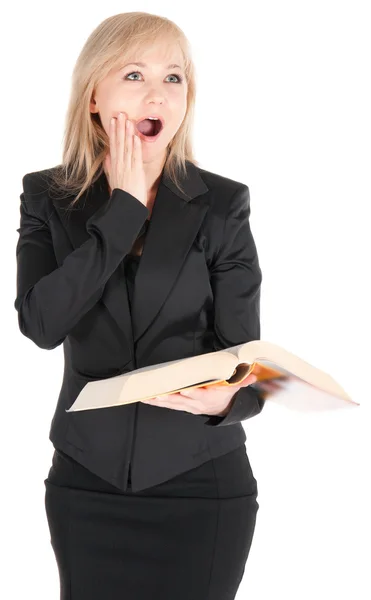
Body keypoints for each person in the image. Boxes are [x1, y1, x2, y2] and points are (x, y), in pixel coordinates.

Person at [14, 11, 266, 600]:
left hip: (202, 486)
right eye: (134, 73)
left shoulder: (223, 205)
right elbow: (42, 324)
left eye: (173, 78)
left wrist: (231, 397)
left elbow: (248, 361)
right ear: (94, 96)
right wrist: (122, 209)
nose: (158, 92)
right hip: (86, 484)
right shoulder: (47, 197)